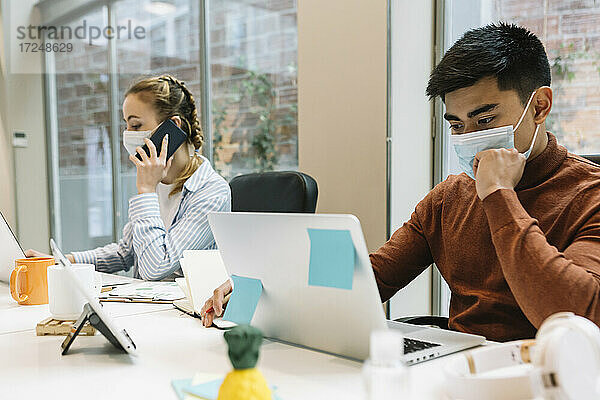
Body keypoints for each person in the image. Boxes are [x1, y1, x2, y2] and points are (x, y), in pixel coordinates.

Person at [199, 23, 600, 342]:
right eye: (456, 125)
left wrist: (499, 195)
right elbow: (370, 280)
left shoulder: (589, 194)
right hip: (459, 371)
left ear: (541, 106)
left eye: (485, 120)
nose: (467, 139)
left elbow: (571, 315)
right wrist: (264, 288)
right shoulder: (449, 198)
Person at [27, 75, 231, 281]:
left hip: (181, 312)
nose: (127, 134)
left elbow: (156, 267)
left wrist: (146, 192)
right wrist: (62, 262)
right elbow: (125, 253)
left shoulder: (212, 193)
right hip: (143, 306)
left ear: (172, 126)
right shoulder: (157, 181)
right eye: (126, 125)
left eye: (135, 125)